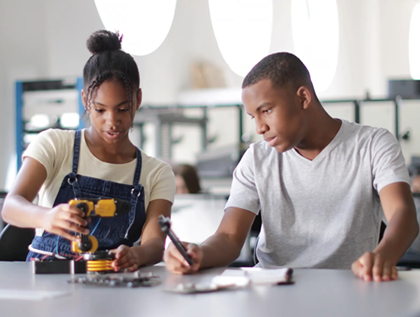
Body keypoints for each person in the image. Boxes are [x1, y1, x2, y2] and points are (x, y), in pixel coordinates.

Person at [164, 52, 419, 282]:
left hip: (348, 289)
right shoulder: (256, 159)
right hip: (273, 289)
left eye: (267, 110)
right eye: (254, 116)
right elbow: (229, 237)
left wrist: (384, 255)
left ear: (303, 98)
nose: (259, 128)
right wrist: (200, 252)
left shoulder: (373, 144)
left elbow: (402, 216)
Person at [1, 30, 175, 272]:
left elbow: (155, 244)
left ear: (138, 99)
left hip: (115, 284)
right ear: (85, 100)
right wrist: (47, 217)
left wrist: (136, 253)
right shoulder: (54, 145)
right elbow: (11, 207)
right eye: (100, 110)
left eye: (123, 109)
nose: (112, 121)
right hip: (48, 285)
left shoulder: (157, 173)